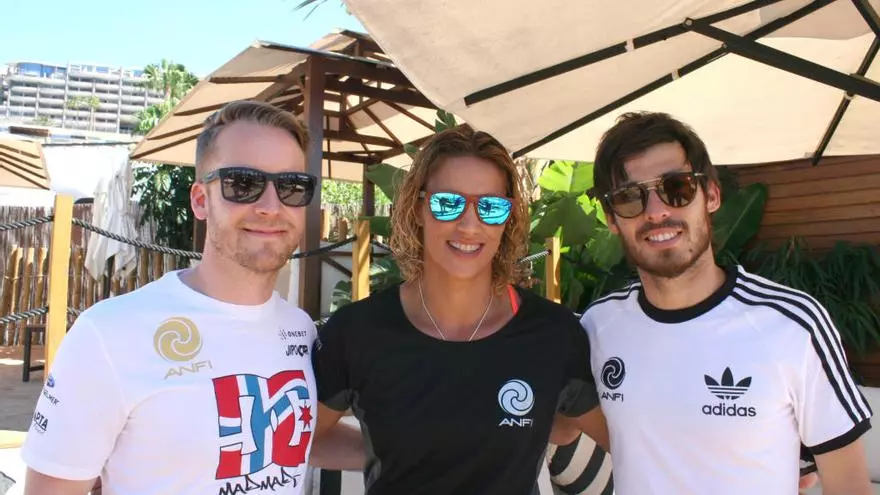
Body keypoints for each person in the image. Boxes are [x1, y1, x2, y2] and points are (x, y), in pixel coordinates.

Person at [21, 100, 358, 494]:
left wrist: (409, 445)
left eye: (291, 187)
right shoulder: (110, 334)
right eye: (242, 184)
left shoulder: (298, 328)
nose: (271, 206)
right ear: (200, 200)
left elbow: (290, 440)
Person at [578, 111, 872, 494]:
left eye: (676, 187)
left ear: (712, 195)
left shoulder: (793, 324)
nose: (656, 211)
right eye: (629, 197)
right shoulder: (598, 326)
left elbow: (849, 486)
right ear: (611, 218)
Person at [311, 125, 609, 494]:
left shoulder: (554, 334)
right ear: (417, 208)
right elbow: (302, 441)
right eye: (447, 203)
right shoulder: (356, 332)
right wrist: (391, 448)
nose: (469, 225)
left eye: (491, 207)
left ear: (508, 218)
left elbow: (614, 440)